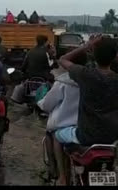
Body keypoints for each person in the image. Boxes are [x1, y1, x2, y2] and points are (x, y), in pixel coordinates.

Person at [53, 35, 118, 185]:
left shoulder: (85, 74)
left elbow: (62, 60)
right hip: (112, 138)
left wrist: (86, 45)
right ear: (114, 56)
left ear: (93, 54)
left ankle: (62, 178)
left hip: (86, 136)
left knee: (57, 136)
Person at [37, 51, 87, 180]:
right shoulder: (92, 81)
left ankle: (58, 175)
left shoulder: (62, 83)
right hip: (86, 126)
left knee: (51, 133)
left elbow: (47, 104)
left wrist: (40, 102)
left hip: (64, 127)